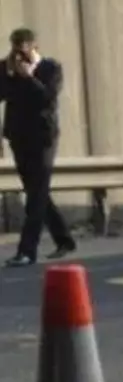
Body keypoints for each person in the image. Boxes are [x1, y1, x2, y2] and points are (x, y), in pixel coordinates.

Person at [0, 28, 75, 268]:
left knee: (37, 194)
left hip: (44, 138)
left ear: (34, 47)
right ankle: (64, 239)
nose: (20, 54)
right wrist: (11, 76)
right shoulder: (6, 68)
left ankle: (27, 251)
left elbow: (47, 98)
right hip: (18, 138)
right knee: (35, 192)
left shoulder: (51, 68)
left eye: (24, 49)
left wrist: (28, 77)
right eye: (15, 49)